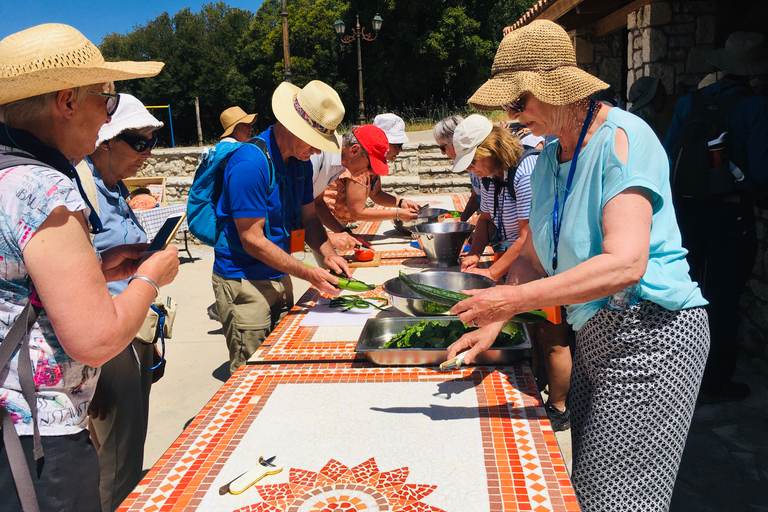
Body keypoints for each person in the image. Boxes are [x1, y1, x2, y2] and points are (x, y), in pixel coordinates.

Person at [448, 20, 709, 511]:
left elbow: (626, 263)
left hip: (652, 334)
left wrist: (510, 298)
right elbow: (531, 255)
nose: (511, 112)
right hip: (597, 333)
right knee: (586, 489)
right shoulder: (548, 157)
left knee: (616, 499)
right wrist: (497, 319)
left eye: (519, 99)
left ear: (557, 90)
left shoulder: (623, 138)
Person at [0, 23, 179, 512]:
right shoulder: (45, 190)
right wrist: (150, 275)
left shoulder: (7, 175)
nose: (108, 117)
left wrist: (98, 271)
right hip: (38, 439)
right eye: (108, 99)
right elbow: (96, 339)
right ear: (67, 100)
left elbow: (14, 283)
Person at [213, 80, 351, 375]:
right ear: (291, 128)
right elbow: (252, 239)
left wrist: (328, 254)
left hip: (279, 272)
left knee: (283, 360)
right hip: (244, 280)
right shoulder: (250, 163)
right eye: (313, 142)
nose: (316, 152)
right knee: (250, 372)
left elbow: (310, 218)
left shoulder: (300, 164)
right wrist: (309, 273)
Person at [663, 32, 768, 404]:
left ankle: (678, 372)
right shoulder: (755, 107)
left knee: (685, 291)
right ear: (754, 72)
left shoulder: (689, 102)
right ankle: (716, 381)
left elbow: (668, 152)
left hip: (686, 211)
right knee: (723, 299)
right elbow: (761, 168)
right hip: (730, 212)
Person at [79, 94, 164, 511]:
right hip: (111, 343)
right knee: (117, 459)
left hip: (131, 330)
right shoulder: (82, 192)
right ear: (104, 140)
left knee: (126, 445)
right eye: (139, 142)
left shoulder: (112, 189)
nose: (147, 154)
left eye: (152, 142)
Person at [454, 115, 532, 282]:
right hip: (516, 258)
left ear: (491, 150)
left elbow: (528, 238)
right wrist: (474, 254)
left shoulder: (525, 173)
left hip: (537, 265)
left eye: (472, 161)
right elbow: (486, 220)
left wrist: (491, 273)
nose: (469, 168)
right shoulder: (489, 176)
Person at [320, 125, 420, 228]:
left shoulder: (358, 160)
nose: (400, 150)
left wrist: (400, 202)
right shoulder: (354, 165)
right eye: (397, 145)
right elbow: (357, 212)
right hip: (327, 223)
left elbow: (376, 194)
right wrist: (398, 214)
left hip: (333, 224)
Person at [309, 132, 372, 252]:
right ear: (354, 151)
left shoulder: (340, 164)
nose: (371, 172)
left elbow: (318, 202)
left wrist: (344, 233)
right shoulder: (316, 156)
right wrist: (328, 237)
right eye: (370, 166)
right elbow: (290, 209)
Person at [433, 115, 481, 222]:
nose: (442, 153)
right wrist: (462, 220)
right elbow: (475, 196)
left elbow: (494, 211)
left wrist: (463, 226)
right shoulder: (470, 164)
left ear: (455, 142)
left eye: (443, 148)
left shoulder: (480, 164)